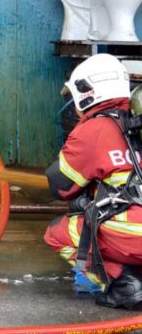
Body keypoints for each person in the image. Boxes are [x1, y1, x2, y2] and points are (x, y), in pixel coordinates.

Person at [44, 53, 142, 309]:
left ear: (87, 93)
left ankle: (124, 285)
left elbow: (60, 186)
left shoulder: (94, 130)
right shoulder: (136, 122)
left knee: (59, 233)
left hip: (137, 233)